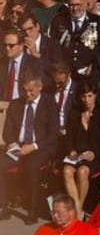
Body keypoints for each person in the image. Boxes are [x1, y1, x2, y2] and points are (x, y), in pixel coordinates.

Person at [0, 73, 59, 225]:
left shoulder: (49, 104)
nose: (28, 94)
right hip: (18, 147)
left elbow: (53, 134)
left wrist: (33, 146)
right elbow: (7, 131)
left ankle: (32, 211)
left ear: (40, 87)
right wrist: (13, 144)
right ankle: (3, 206)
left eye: (31, 90)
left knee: (32, 166)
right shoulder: (16, 104)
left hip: (39, 148)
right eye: (25, 90)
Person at [63, 80, 100, 215]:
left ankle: (78, 210)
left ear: (95, 95)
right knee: (67, 171)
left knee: (82, 171)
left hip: (96, 155)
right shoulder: (75, 113)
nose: (86, 100)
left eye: (90, 96)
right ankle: (78, 209)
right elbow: (68, 135)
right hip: (77, 154)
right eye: (83, 96)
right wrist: (71, 149)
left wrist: (94, 153)